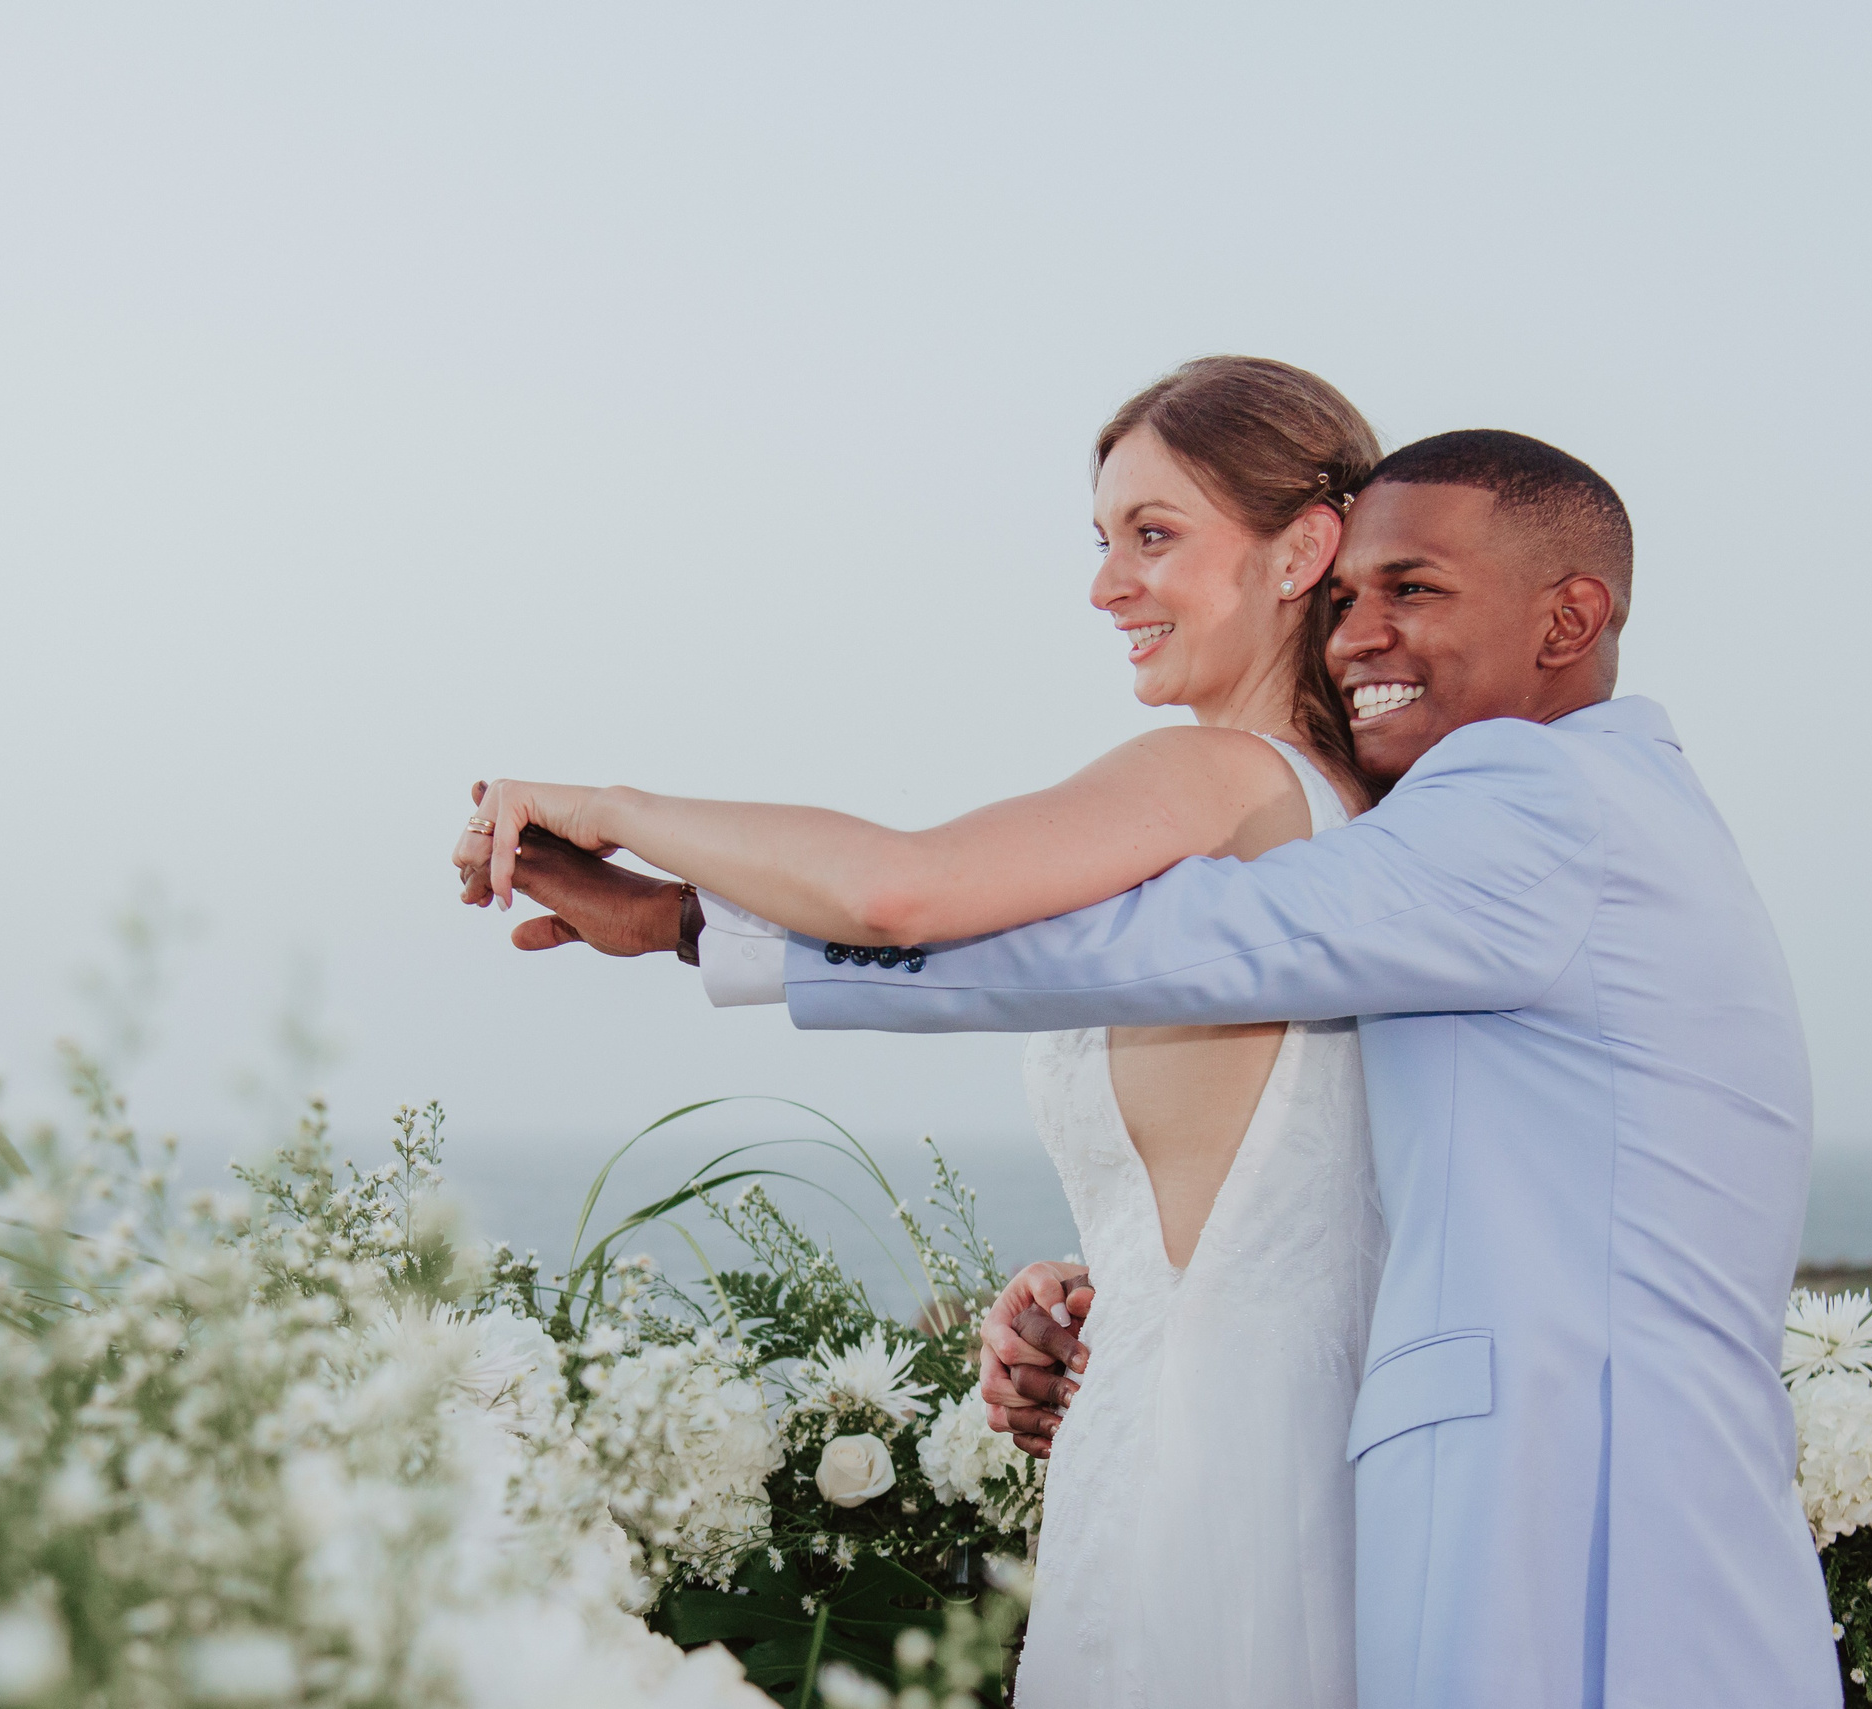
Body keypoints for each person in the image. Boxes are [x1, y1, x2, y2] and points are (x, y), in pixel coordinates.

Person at [453, 419, 1845, 1707]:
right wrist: (1134, 1272)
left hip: (1560, 1533)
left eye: (1410, 590)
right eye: (1356, 596)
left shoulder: (1525, 800)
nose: (1364, 632)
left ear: (1570, 615)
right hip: (1535, 1503)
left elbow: (1074, 930)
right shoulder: (1492, 826)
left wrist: (675, 885)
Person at [460, 356, 1391, 1708]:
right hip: (1233, 1449)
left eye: (1154, 535)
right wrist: (1110, 1280)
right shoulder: (1328, 819)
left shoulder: (1226, 774)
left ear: (1301, 548)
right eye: (1102, 541)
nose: (1106, 585)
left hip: (1211, 1487)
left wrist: (612, 802)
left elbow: (900, 891)